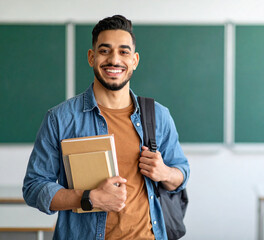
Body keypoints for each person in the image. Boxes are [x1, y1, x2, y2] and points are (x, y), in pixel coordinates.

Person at [23, 15, 190, 240]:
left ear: (135, 60)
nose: (114, 59)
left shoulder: (158, 115)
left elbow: (181, 173)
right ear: (92, 57)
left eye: (123, 51)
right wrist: (88, 198)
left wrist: (165, 172)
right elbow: (34, 187)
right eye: (104, 50)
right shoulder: (60, 119)